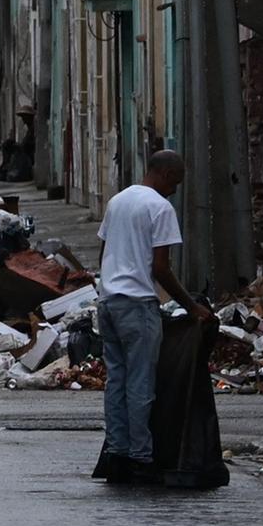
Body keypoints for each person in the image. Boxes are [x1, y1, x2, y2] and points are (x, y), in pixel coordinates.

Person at [96, 149, 211, 485]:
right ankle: (141, 458)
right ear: (163, 174)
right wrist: (192, 307)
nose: (175, 189)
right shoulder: (160, 208)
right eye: (174, 182)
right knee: (140, 384)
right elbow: (160, 268)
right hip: (137, 304)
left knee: (115, 382)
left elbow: (104, 250)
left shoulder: (118, 201)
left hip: (108, 302)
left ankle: (117, 454)